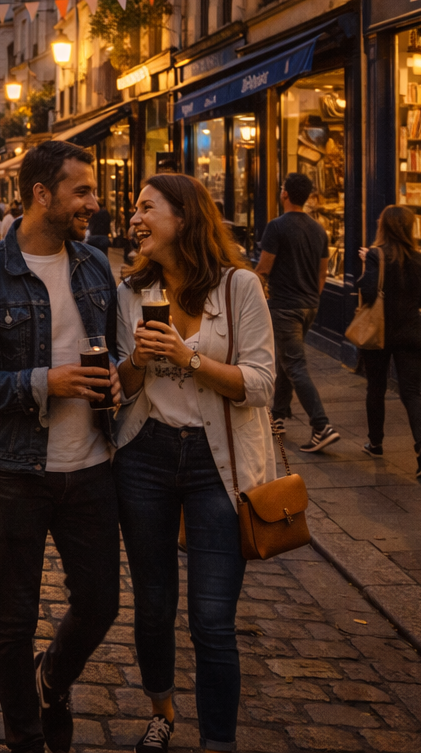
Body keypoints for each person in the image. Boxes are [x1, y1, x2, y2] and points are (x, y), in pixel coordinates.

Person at [0, 140, 119, 753]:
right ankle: (26, 738)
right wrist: (42, 382)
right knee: (14, 619)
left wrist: (119, 376)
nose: (95, 201)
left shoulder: (95, 266)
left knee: (100, 603)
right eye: (82, 191)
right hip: (13, 472)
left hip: (91, 466)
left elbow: (114, 350)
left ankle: (53, 678)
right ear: (42, 194)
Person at [112, 173, 277, 753]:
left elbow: (262, 384)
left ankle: (218, 742)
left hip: (216, 463)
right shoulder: (131, 291)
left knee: (212, 617)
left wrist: (189, 359)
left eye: (146, 208)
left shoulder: (239, 287)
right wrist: (136, 360)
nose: (135, 219)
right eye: (135, 210)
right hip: (145, 456)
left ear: (183, 217)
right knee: (154, 605)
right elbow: (123, 388)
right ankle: (161, 711)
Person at [254, 172, 338, 453]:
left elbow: (264, 269)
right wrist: (312, 297)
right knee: (286, 360)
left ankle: (321, 426)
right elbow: (323, 273)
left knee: (294, 365)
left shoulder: (276, 226)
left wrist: (251, 292)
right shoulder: (318, 230)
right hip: (309, 305)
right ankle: (277, 416)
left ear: (285, 194)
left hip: (285, 306)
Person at [358, 205, 421, 479]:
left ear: (383, 227)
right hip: (411, 333)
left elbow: (368, 293)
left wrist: (368, 265)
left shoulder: (376, 255)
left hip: (379, 333)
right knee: (412, 393)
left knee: (376, 388)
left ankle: (375, 443)